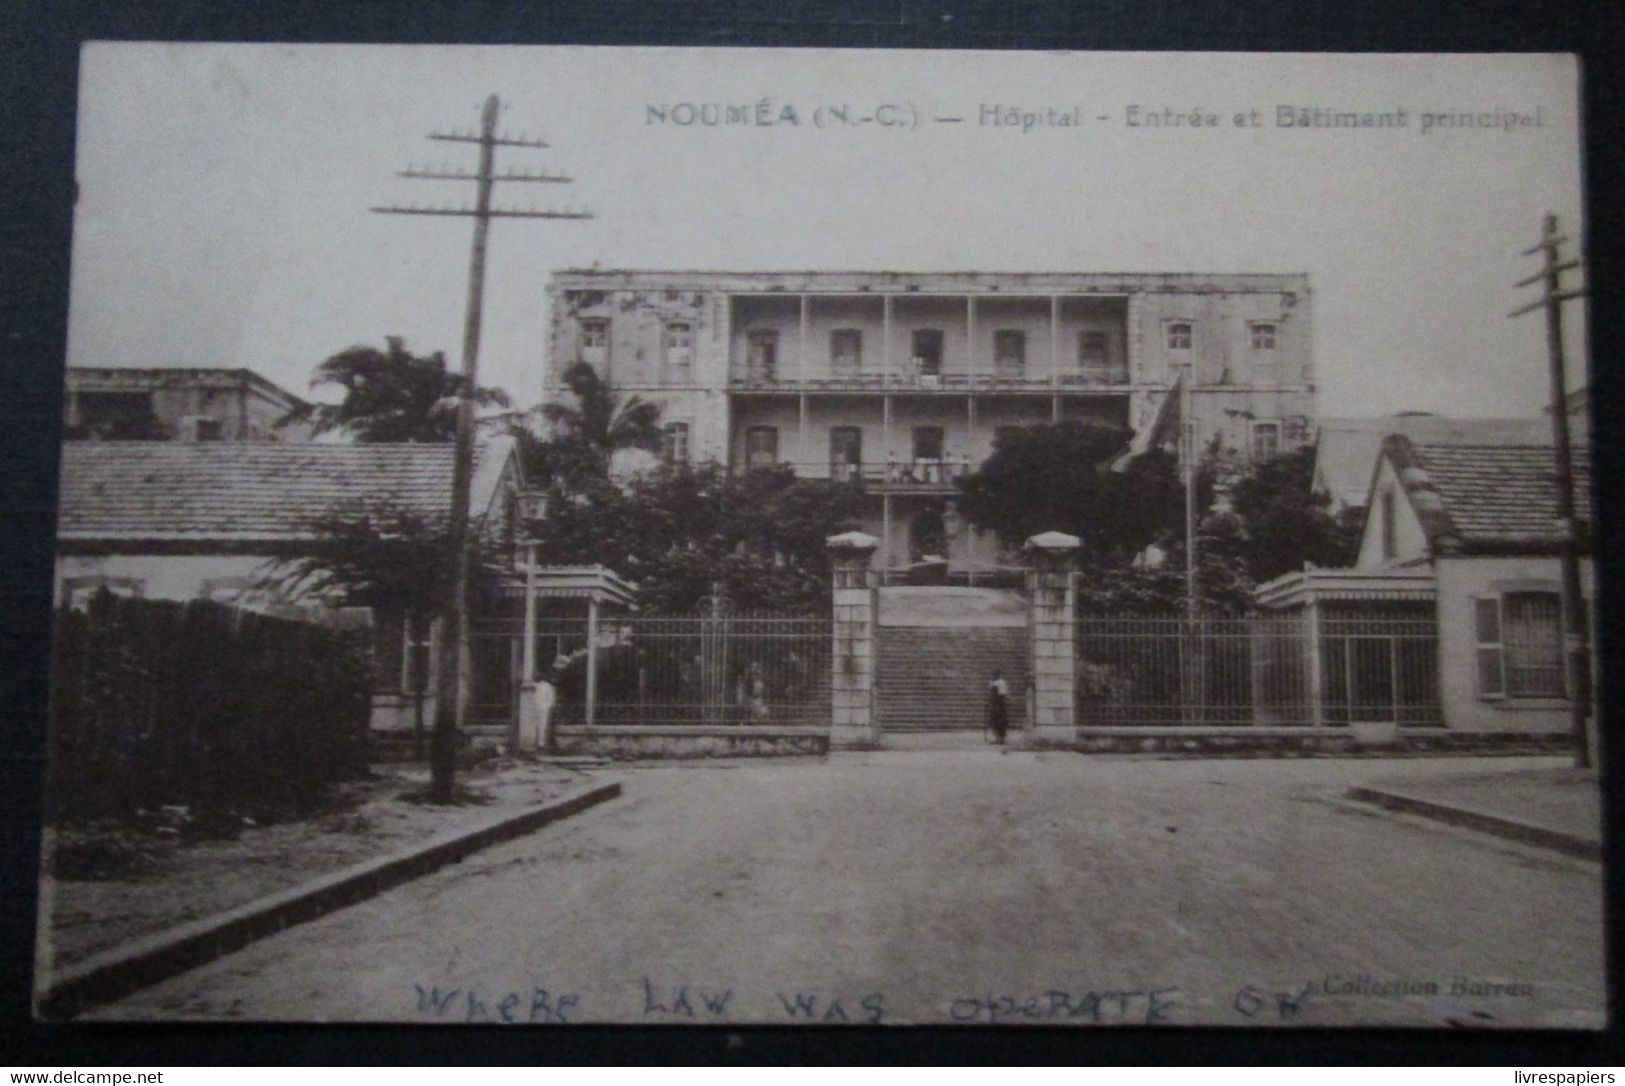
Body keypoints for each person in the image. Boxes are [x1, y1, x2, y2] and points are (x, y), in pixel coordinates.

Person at [987, 670, 1010, 745]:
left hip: (998, 704)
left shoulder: (998, 683)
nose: (994, 676)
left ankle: (999, 739)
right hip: (1000, 703)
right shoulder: (1001, 682)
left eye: (995, 675)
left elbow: (991, 687)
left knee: (996, 721)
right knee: (999, 721)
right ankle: (1000, 738)